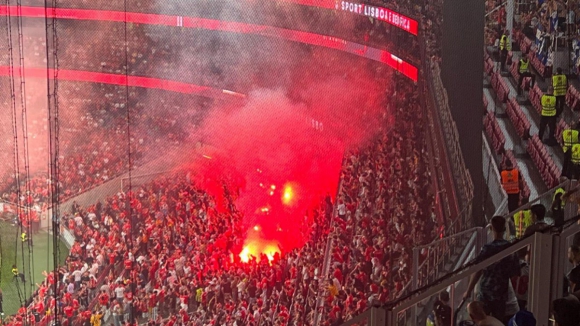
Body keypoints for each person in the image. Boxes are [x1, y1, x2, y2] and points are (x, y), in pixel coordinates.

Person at [463, 216, 520, 323]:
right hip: (501, 294)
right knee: (497, 322)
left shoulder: (487, 249)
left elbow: (477, 271)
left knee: (482, 321)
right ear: (504, 229)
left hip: (485, 294)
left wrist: (468, 291)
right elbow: (515, 274)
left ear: (491, 228)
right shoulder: (510, 249)